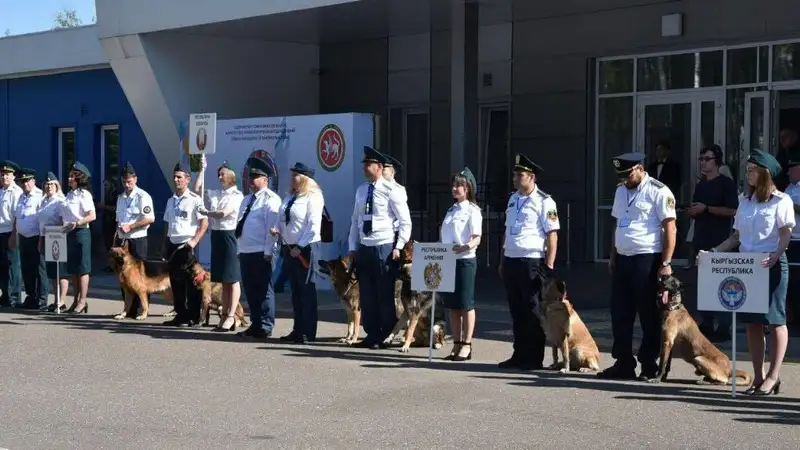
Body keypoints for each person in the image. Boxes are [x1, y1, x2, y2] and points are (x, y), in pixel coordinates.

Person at [700, 149, 793, 396]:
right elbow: (737, 237)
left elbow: (785, 233)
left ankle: (774, 376)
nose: (748, 174)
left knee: (775, 321)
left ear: (764, 174)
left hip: (770, 264)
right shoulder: (745, 201)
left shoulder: (781, 201)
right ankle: (759, 377)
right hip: (748, 268)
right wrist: (714, 252)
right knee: (752, 323)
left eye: (752, 170)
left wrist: (776, 253)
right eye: (747, 170)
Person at [600, 152, 676, 381]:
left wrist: (666, 262)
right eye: (622, 176)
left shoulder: (658, 190)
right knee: (620, 313)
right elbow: (617, 224)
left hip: (647, 258)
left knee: (648, 315)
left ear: (640, 168)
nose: (626, 179)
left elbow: (670, 228)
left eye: (629, 174)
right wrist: (612, 255)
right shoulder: (621, 190)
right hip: (623, 258)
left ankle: (649, 365)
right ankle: (623, 362)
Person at [498, 154, 559, 370]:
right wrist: (502, 258)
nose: (515, 178)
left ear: (531, 177)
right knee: (516, 310)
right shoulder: (513, 199)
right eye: (515, 174)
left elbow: (552, 235)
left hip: (532, 261)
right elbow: (507, 231)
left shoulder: (544, 201)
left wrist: (549, 267)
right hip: (512, 259)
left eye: (520, 175)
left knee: (532, 310)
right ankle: (519, 353)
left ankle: (534, 357)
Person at [348, 146, 412, 349]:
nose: (365, 167)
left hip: (383, 246)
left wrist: (399, 246)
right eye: (364, 164)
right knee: (367, 293)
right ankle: (371, 333)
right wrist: (352, 247)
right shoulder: (361, 190)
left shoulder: (391, 190)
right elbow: (356, 220)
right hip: (365, 247)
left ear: (379, 167)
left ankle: (385, 334)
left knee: (384, 293)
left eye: (369, 164)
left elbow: (405, 221)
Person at [686, 145, 738, 342]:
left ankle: (724, 327)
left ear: (717, 161)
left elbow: (733, 211)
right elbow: (696, 207)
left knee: (723, 283)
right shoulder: (701, 184)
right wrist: (692, 211)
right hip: (701, 237)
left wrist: (706, 209)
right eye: (701, 159)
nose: (702, 162)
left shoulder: (726, 183)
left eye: (706, 159)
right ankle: (707, 322)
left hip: (720, 240)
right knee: (704, 284)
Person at [274, 162, 324, 344]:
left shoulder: (313, 196)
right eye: (292, 175)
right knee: (295, 291)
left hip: (306, 248)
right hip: (289, 247)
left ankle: (308, 332)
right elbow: (282, 218)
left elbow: (313, 226)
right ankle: (297, 329)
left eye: (296, 175)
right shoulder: (290, 196)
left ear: (304, 179)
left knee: (307, 290)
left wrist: (300, 247)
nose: (292, 179)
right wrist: (277, 229)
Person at [194, 156, 244, 332]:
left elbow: (224, 213)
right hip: (216, 235)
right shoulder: (217, 192)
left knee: (232, 277)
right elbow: (197, 189)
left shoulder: (237, 196)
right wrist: (202, 169)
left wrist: (207, 212)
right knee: (223, 279)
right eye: (218, 174)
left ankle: (231, 315)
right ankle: (224, 315)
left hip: (229, 235)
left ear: (231, 175)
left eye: (222, 174)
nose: (220, 177)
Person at [236, 157, 281, 339]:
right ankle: (255, 323)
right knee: (251, 290)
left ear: (265, 180)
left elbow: (272, 229)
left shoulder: (271, 200)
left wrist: (269, 252)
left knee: (264, 290)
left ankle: (265, 325)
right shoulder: (246, 200)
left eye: (256, 177)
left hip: (262, 252)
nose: (251, 180)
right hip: (246, 251)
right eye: (250, 177)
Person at [440, 167, 482, 362]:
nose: (455, 189)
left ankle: (467, 344)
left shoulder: (473, 210)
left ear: (468, 189)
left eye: (459, 185)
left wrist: (465, 247)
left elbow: (476, 238)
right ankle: (456, 343)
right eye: (454, 185)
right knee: (452, 305)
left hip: (465, 260)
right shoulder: (451, 210)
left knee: (466, 304)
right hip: (449, 259)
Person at [161, 162, 208, 327]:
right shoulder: (170, 200)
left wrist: (194, 241)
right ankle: (180, 314)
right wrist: (164, 244)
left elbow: (204, 223)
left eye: (180, 177)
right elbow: (167, 223)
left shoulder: (195, 200)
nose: (176, 180)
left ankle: (193, 317)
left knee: (191, 283)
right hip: (173, 244)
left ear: (188, 179)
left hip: (186, 245)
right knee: (176, 282)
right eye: (174, 177)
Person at [115, 162, 155, 317]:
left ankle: (142, 308)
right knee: (124, 276)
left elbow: (149, 218)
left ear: (135, 179)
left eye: (129, 181)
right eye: (124, 181)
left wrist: (131, 226)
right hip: (123, 241)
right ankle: (129, 309)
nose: (127, 184)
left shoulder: (142, 196)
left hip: (137, 240)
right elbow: (118, 220)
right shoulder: (120, 198)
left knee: (140, 277)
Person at [61, 162, 96, 314]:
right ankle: (75, 300)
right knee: (74, 268)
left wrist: (77, 223)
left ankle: (83, 300)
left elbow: (92, 215)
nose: (69, 179)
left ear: (79, 178)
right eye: (69, 176)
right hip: (69, 233)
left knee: (83, 268)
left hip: (81, 232)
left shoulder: (84, 194)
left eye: (72, 176)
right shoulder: (69, 194)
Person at [11, 168, 47, 309]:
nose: (25, 184)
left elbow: (42, 219)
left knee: (39, 269)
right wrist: (15, 234)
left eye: (27, 181)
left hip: (36, 236)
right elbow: (17, 217)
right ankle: (31, 296)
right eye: (23, 182)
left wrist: (41, 239)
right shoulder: (21, 196)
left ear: (33, 181)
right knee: (26, 268)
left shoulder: (39, 196)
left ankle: (42, 299)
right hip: (23, 237)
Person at [37, 172, 69, 312]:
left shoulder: (60, 201)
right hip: (47, 236)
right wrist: (41, 239)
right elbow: (42, 223)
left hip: (59, 236)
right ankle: (55, 300)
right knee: (52, 271)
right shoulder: (44, 201)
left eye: (51, 184)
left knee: (60, 271)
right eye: (46, 184)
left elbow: (65, 221)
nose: (49, 186)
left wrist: (60, 233)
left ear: (57, 186)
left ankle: (62, 301)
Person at [0, 160, 23, 307]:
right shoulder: (1, 191)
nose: (4, 177)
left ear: (13, 176)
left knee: (13, 266)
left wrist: (14, 235)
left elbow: (16, 216)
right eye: (2, 174)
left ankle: (14, 296)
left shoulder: (17, 192)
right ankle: (5, 294)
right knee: (2, 266)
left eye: (7, 174)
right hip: (0, 232)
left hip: (10, 232)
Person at [785, 154, 800, 328]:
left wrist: (790, 205)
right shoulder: (789, 187)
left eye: (792, 168)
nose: (788, 172)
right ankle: (792, 317)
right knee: (790, 283)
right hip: (790, 240)